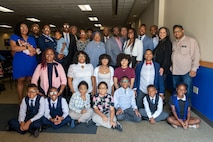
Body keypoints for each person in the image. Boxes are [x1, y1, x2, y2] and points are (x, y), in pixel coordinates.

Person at [10, 22, 37, 103]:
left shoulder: (31, 38)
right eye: (22, 27)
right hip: (20, 61)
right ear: (18, 28)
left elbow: (34, 49)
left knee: (30, 80)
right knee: (21, 80)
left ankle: (31, 98)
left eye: (26, 27)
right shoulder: (14, 37)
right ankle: (21, 100)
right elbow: (13, 48)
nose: (24, 29)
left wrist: (33, 52)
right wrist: (26, 47)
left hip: (31, 60)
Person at [171, 25, 200, 100]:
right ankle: (176, 109)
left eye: (178, 31)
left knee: (187, 91)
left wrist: (194, 69)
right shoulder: (174, 43)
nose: (176, 33)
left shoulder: (191, 41)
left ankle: (187, 109)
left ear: (183, 31)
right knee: (176, 90)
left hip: (186, 71)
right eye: (175, 32)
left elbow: (196, 55)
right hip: (175, 71)